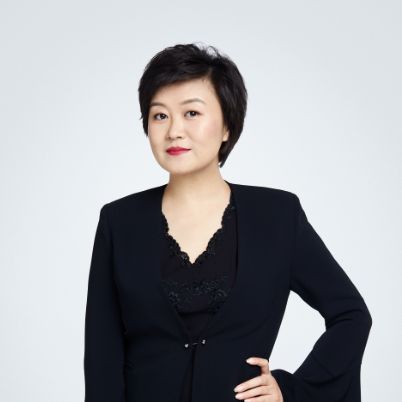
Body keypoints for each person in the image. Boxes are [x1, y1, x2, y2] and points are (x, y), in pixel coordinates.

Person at [83, 43, 372, 402]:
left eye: (191, 113)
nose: (173, 130)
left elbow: (351, 315)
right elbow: (102, 355)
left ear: (227, 127)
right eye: (159, 116)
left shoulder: (277, 216)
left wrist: (293, 390)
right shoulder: (119, 221)